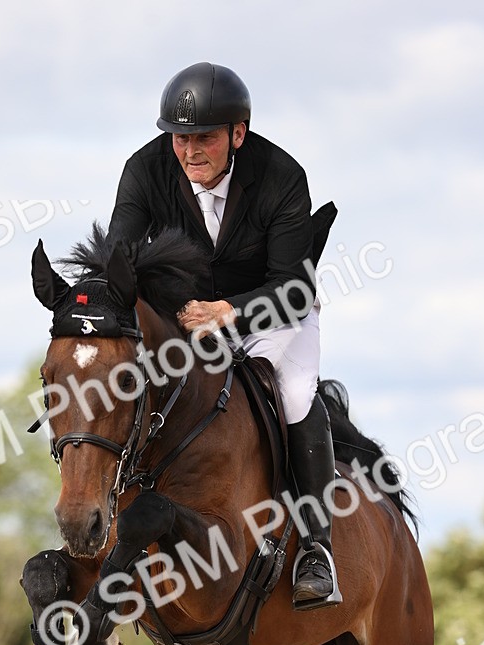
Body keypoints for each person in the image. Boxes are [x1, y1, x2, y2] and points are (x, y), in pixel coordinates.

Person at [108, 61, 340, 609]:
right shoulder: (143, 171)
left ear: (238, 133)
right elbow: (119, 260)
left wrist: (228, 312)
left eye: (205, 138)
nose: (190, 151)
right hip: (185, 322)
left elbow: (295, 292)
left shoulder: (281, 177)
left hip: (270, 315)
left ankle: (316, 545)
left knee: (294, 393)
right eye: (180, 138)